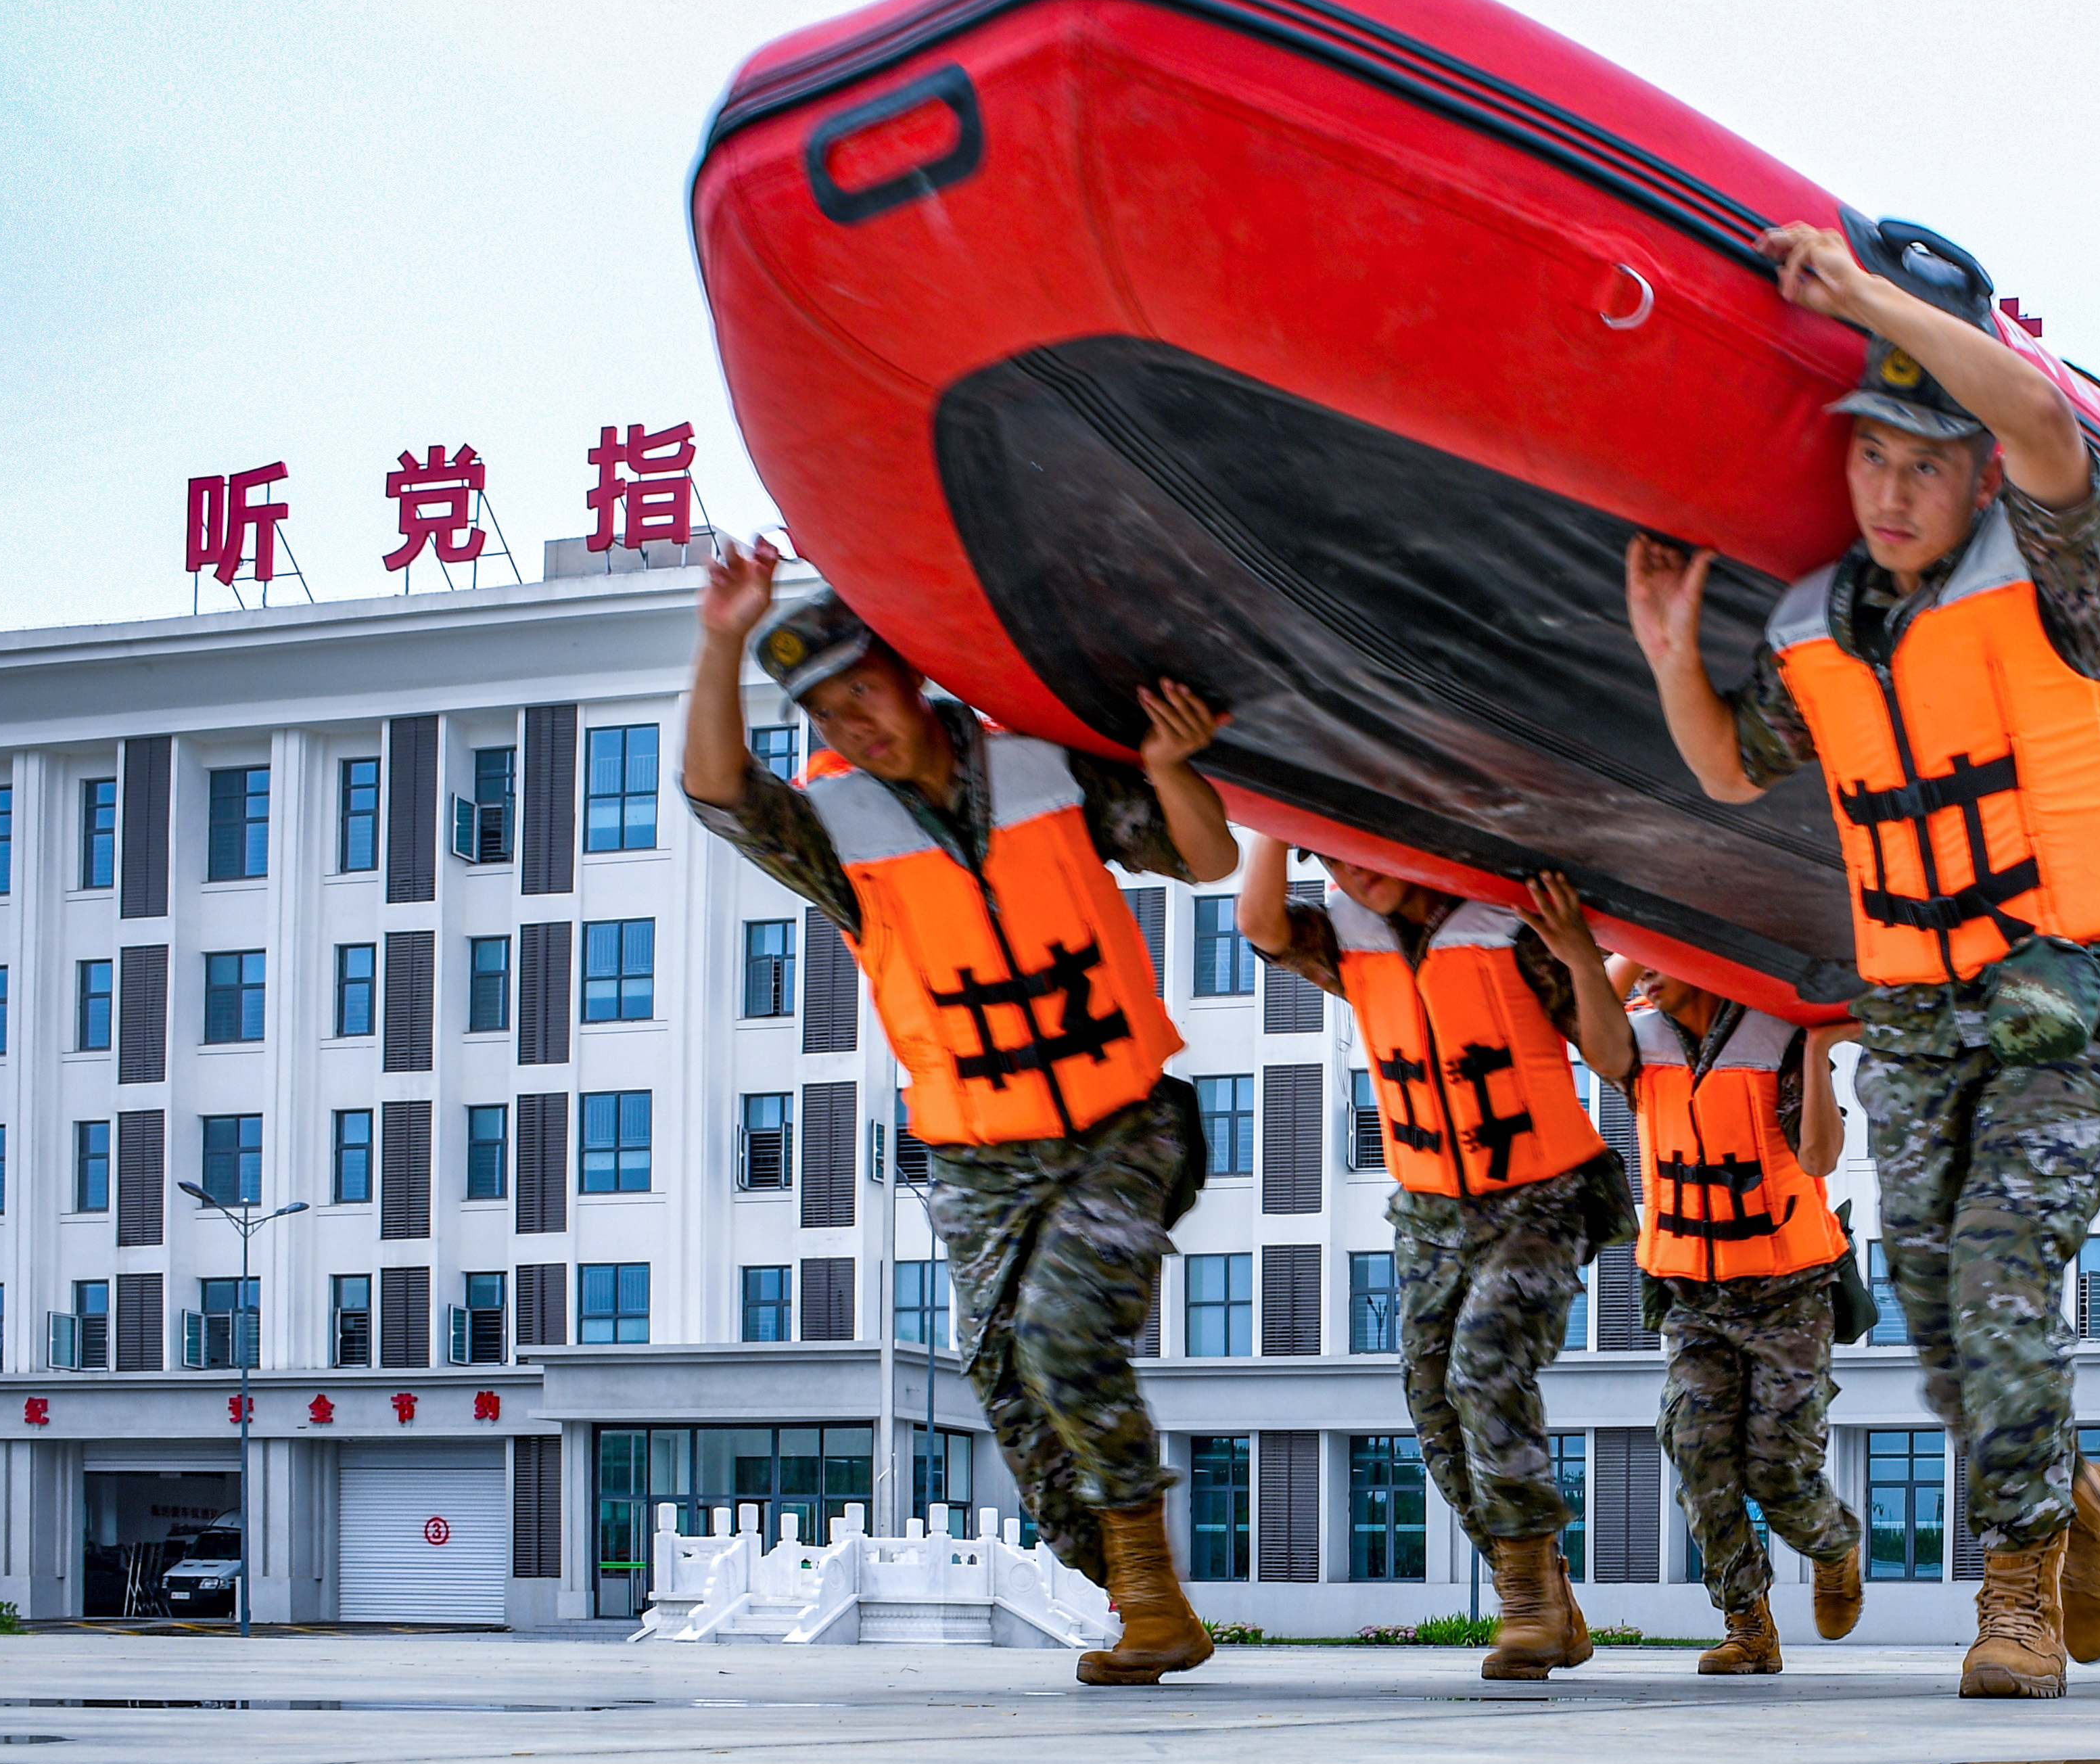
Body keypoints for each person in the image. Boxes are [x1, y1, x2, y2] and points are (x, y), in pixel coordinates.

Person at [1624, 218, 2100, 1698]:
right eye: (1871, 458)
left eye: (1926, 463)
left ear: (1975, 476)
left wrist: (1858, 294)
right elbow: (1728, 771)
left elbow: (2046, 424)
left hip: (2055, 993)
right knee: (1935, 1306)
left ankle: (2016, 1599)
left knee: (1996, 1273)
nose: (1893, 491)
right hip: (1911, 1014)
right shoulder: (1823, 626)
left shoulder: (2057, 577)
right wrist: (1669, 651)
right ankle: (2075, 1496)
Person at [681, 539, 1239, 1686]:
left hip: (1121, 1123)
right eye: (826, 715)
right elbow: (719, 792)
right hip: (976, 1154)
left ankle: (1148, 1599)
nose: (855, 726)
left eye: (864, 693)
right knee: (1015, 1396)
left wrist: (1172, 767)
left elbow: (1205, 854)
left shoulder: (1040, 764)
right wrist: (721, 640)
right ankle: (1140, 1591)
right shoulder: (836, 832)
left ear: (911, 674)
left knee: (1064, 1336)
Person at [1240, 858, 1632, 1680]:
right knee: (1433, 1407)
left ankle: (1525, 1605)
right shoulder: (1349, 935)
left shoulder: (1511, 924)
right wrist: (1272, 822)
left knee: (1484, 1366)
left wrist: (1578, 958)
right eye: (1333, 859)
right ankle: (1544, 1591)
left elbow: (1611, 1056)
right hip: (1429, 1213)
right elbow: (1262, 927)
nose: (1355, 875)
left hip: (1541, 1196)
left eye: (1365, 853)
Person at [1577, 956, 1867, 1672]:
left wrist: (1818, 1050)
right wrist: (1624, 951)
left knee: (1777, 1472)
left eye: (1662, 960)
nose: (1647, 974)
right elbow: (1581, 1030)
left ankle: (1834, 1549)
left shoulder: (1778, 1038)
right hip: (1692, 1296)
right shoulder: (1640, 1040)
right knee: (1696, 1454)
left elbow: (1820, 1158)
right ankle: (1748, 1625)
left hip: (1788, 1292)